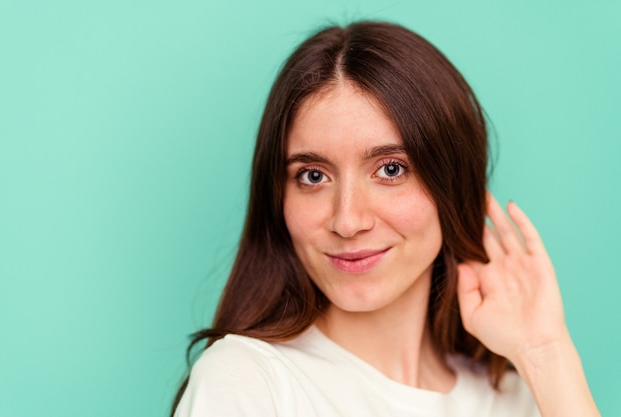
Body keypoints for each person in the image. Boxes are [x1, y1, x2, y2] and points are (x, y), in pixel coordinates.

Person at [172, 21, 600, 416]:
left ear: (452, 184)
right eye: (313, 175)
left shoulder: (516, 397)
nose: (347, 220)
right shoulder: (248, 382)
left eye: (391, 169)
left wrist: (547, 354)